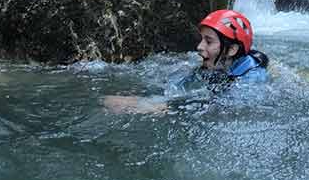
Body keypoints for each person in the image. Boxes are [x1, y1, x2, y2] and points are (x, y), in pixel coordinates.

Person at [103, 9, 269, 114]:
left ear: (232, 50)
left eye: (209, 41)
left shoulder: (252, 77)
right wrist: (145, 97)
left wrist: (162, 108)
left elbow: (233, 107)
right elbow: (176, 87)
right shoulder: (211, 66)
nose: (199, 46)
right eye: (202, 39)